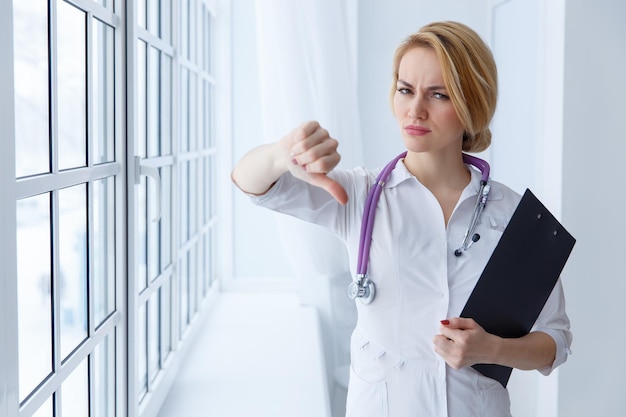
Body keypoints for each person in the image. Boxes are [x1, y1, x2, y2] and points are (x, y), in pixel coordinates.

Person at [231, 21, 572, 417]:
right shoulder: (361, 196)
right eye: (405, 90)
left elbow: (556, 340)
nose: (415, 110)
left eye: (438, 95)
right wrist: (279, 154)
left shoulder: (514, 215)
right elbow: (250, 184)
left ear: (471, 104)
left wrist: (493, 349)